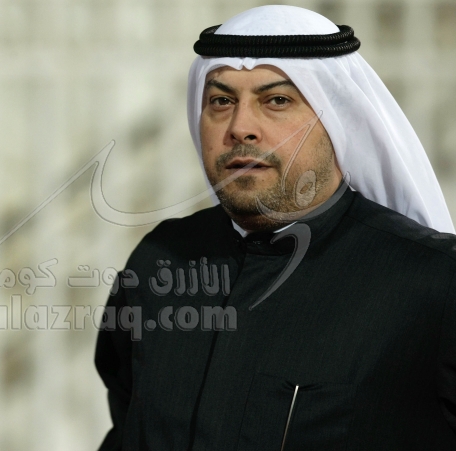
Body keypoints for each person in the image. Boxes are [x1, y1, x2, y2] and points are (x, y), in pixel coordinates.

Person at [95, 6, 456, 450]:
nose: (240, 128)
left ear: (336, 120)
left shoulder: (434, 283)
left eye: (277, 101)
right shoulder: (160, 261)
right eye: (221, 101)